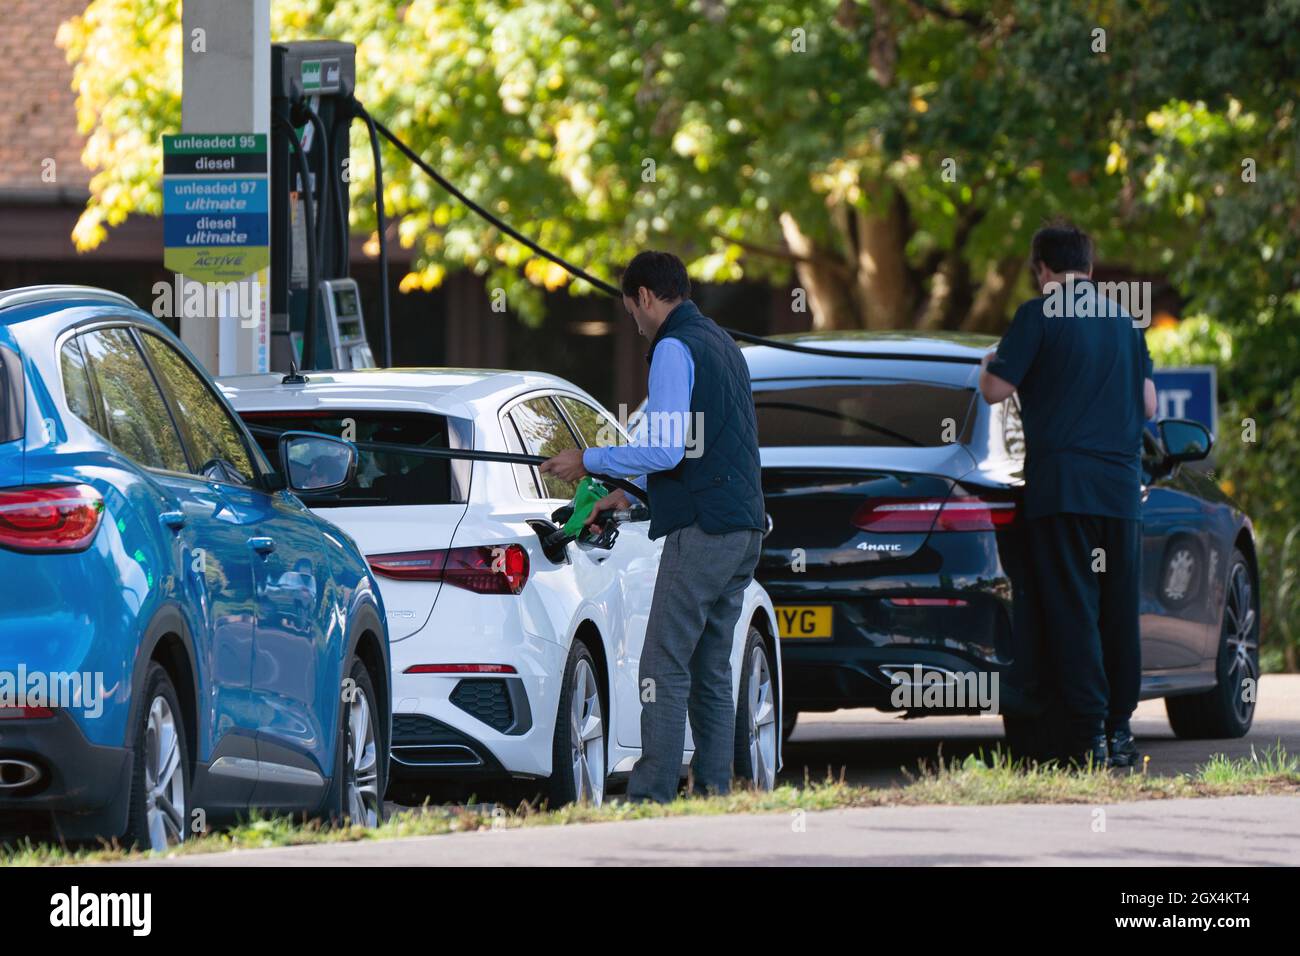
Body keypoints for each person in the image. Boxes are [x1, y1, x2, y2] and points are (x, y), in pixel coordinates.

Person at [541, 251, 765, 802]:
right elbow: (697, 450)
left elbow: (664, 449)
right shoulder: (721, 344)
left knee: (661, 664)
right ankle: (714, 794)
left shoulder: (672, 347)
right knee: (711, 668)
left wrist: (587, 461)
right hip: (743, 529)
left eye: (631, 311)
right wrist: (619, 495)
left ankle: (651, 795)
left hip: (705, 531)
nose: (634, 324)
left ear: (643, 296)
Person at [980, 220, 1157, 769]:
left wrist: (988, 360)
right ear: (1090, 266)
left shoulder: (1037, 315)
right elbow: (1149, 404)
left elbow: (995, 390)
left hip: (1062, 490)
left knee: (1073, 609)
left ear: (1042, 270)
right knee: (1116, 611)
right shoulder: (1125, 322)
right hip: (1121, 493)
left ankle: (1087, 737)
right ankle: (1120, 732)